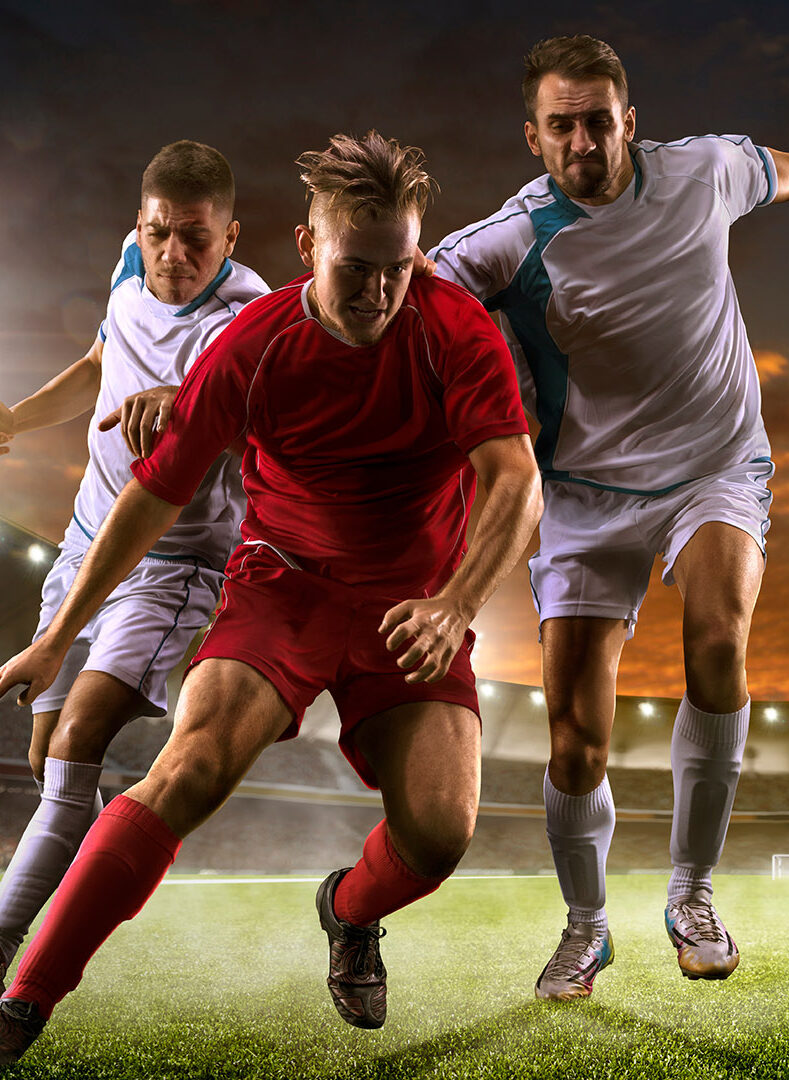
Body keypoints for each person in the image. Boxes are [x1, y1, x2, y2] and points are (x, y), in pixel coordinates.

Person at [0, 130, 541, 1063]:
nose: (379, 291)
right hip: (281, 589)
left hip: (412, 609)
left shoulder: (455, 328)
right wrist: (59, 636)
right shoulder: (255, 344)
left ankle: (346, 909)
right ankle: (21, 1005)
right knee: (188, 770)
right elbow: (154, 495)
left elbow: (516, 478)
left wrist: (456, 602)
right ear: (306, 248)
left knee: (440, 838)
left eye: (399, 267)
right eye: (354, 268)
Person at [429, 35, 789, 1000]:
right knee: (573, 739)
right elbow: (403, 303)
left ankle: (692, 892)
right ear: (534, 139)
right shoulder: (507, 239)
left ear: (631, 120)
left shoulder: (703, 170)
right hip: (584, 496)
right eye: (562, 126)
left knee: (719, 639)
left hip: (716, 466)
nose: (583, 140)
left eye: (599, 120)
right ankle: (585, 927)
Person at [0, 140, 268, 994]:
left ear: (231, 236)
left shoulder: (251, 314)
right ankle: (66, 872)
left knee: (79, 737)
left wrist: (187, 401)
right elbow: (98, 365)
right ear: (139, 226)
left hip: (175, 563)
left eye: (196, 238)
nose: (174, 255)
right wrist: (15, 417)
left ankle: (5, 942)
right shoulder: (128, 267)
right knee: (49, 761)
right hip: (84, 543)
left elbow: (246, 416)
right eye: (160, 234)